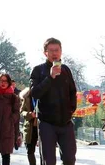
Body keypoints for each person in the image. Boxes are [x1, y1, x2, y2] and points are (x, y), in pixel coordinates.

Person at [30, 37, 77, 165]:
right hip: (47, 123)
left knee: (69, 159)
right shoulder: (38, 70)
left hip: (66, 122)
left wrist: (71, 109)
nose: (54, 53)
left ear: (61, 51)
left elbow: (73, 91)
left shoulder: (66, 70)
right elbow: (35, 93)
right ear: (45, 53)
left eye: (57, 50)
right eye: (51, 50)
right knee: (48, 161)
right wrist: (50, 77)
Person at [19, 87, 40, 165]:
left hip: (43, 126)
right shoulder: (26, 97)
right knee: (30, 151)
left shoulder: (45, 93)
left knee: (45, 151)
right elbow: (21, 111)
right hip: (29, 127)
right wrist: (29, 114)